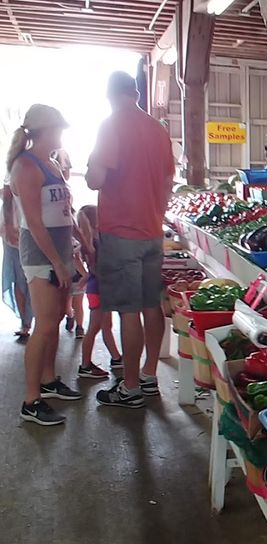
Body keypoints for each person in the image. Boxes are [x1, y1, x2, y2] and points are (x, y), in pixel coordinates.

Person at [86, 71, 173, 409]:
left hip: (121, 233)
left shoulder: (111, 125)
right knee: (152, 304)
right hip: (152, 231)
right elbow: (167, 181)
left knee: (128, 311)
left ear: (110, 94)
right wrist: (156, 213)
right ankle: (150, 376)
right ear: (135, 93)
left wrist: (91, 162)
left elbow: (95, 179)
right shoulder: (158, 129)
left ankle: (131, 387)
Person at [7, 104, 83, 426]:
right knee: (46, 325)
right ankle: (30, 399)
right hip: (41, 257)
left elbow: (65, 209)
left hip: (60, 253)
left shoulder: (51, 163)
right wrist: (57, 262)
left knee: (52, 325)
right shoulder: (26, 166)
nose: (62, 134)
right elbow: (35, 223)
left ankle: (49, 380)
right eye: (58, 129)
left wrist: (80, 244)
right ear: (44, 131)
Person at [76, 205, 122, 379]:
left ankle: (116, 357)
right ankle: (85, 364)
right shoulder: (98, 241)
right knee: (95, 327)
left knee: (105, 325)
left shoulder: (90, 242)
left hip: (97, 288)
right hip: (100, 288)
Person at [2, 175, 33, 338]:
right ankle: (25, 321)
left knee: (31, 279)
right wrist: (8, 226)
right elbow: (6, 196)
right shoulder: (15, 168)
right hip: (16, 232)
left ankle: (28, 320)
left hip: (30, 231)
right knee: (20, 279)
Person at [64, 235, 86, 339]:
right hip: (68, 277)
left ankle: (79, 326)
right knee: (71, 305)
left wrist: (85, 275)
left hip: (75, 277)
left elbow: (77, 259)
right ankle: (71, 316)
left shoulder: (74, 242)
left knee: (76, 304)